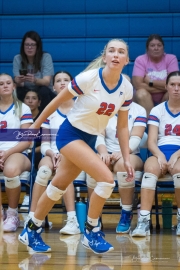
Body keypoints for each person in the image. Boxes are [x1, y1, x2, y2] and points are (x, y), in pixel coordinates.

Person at [18, 38, 135, 254]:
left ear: (127, 60)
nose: (116, 55)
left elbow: (122, 127)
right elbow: (54, 102)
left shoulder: (126, 89)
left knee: (57, 186)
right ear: (105, 56)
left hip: (89, 138)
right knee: (107, 180)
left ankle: (30, 229)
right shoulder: (89, 78)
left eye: (121, 52)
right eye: (111, 51)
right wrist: (35, 125)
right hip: (70, 134)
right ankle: (91, 231)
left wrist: (127, 158)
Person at [26, 71, 81, 234]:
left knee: (65, 171)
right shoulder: (49, 112)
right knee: (43, 171)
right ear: (54, 87)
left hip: (75, 155)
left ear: (73, 84)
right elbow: (44, 145)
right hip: (53, 154)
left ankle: (72, 220)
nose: (63, 83)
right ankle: (33, 218)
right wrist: (51, 153)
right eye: (58, 80)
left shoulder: (80, 109)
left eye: (66, 80)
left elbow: (84, 139)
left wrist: (67, 154)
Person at [132, 71, 180, 237]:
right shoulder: (157, 110)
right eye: (173, 85)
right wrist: (160, 156)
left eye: (179, 85)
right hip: (159, 150)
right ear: (166, 87)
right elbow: (151, 141)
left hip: (179, 153)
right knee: (150, 170)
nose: (176, 89)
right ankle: (143, 221)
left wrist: (176, 156)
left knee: (179, 171)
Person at [87, 100, 147, 233]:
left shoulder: (139, 110)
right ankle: (94, 217)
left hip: (130, 153)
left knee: (122, 166)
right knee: (93, 164)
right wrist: (103, 152)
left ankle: (126, 213)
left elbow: (137, 137)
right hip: (106, 151)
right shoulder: (103, 107)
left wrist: (123, 153)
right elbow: (99, 134)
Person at [0, 73, 33, 232]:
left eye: (8, 83)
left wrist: (6, 154)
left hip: (18, 152)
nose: (5, 86)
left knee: (11, 169)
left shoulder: (23, 108)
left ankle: (13, 213)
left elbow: (27, 141)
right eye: (1, 84)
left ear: (13, 86)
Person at [132, 34, 179, 116]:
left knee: (174, 91)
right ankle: (151, 123)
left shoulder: (171, 59)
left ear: (163, 48)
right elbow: (138, 85)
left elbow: (175, 82)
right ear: (147, 49)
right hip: (145, 98)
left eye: (159, 45)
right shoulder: (140, 60)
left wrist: (151, 82)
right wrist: (165, 87)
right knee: (141, 93)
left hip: (165, 97)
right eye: (152, 45)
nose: (156, 48)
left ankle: (164, 122)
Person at [13, 30, 56, 111]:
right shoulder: (17, 58)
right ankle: (20, 117)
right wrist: (17, 81)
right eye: (27, 45)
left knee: (44, 91)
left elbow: (46, 81)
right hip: (26, 89)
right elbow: (20, 84)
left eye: (32, 45)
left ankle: (44, 119)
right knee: (17, 91)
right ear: (23, 46)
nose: (29, 47)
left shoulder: (46, 57)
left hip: (42, 90)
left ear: (38, 46)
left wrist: (35, 80)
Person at [20, 89, 42, 210]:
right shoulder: (20, 115)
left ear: (39, 102)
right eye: (27, 98)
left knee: (36, 158)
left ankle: (31, 196)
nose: (30, 101)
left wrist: (32, 150)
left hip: (38, 150)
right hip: (23, 150)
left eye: (34, 98)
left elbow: (46, 140)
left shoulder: (43, 118)